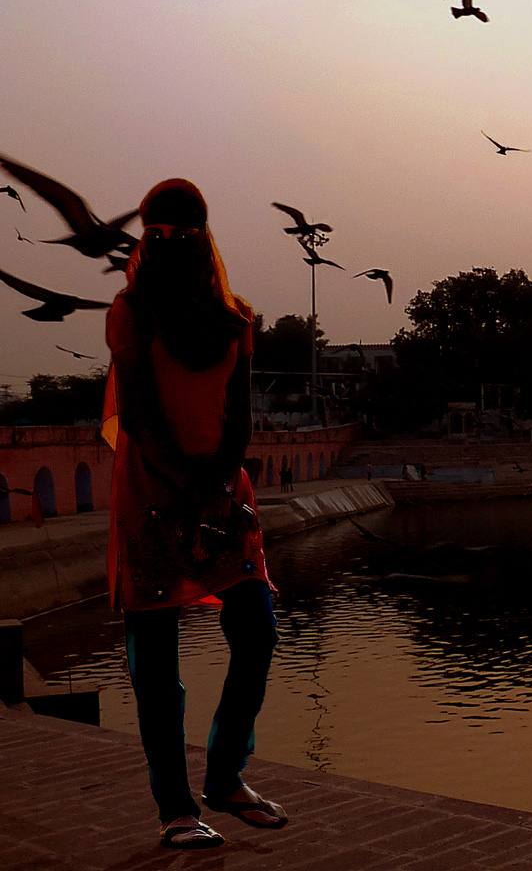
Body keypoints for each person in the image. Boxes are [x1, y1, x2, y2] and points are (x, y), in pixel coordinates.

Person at [103, 180, 286, 849]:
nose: (170, 246)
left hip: (219, 492)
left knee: (257, 628)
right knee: (156, 662)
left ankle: (225, 773)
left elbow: (238, 415)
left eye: (183, 235)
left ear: (203, 238)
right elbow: (142, 411)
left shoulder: (234, 318)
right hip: (151, 494)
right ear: (145, 240)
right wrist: (184, 488)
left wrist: (216, 486)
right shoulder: (131, 312)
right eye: (157, 236)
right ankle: (177, 808)